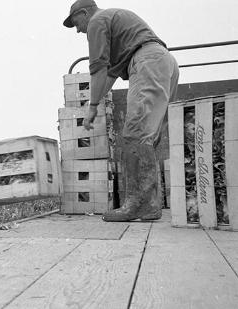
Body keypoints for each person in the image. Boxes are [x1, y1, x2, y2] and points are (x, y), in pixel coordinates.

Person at [63, 0, 179, 221]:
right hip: (164, 61)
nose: (77, 30)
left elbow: (98, 69)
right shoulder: (115, 22)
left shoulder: (97, 21)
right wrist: (95, 103)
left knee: (135, 133)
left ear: (84, 13)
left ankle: (136, 204)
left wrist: (93, 107)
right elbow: (110, 76)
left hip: (147, 62)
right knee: (147, 137)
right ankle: (149, 206)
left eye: (76, 22)